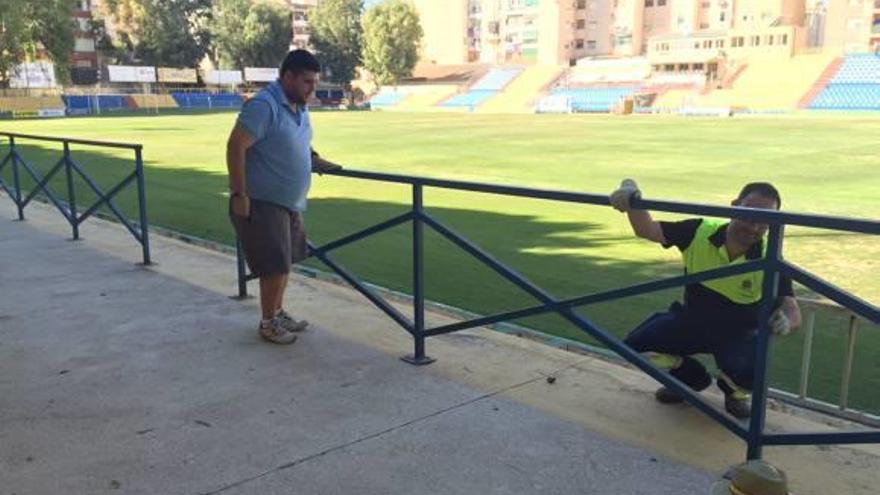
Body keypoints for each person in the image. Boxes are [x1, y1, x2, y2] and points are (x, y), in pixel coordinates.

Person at [609, 179, 801, 419]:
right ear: (733, 206)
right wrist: (632, 198)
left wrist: (787, 322)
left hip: (737, 335)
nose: (754, 227)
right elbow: (647, 229)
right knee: (635, 346)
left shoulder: (770, 257)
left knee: (753, 369)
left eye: (765, 221)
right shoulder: (698, 231)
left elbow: (792, 309)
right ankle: (689, 380)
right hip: (692, 321)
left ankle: (735, 393)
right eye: (749, 215)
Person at [227, 49, 342, 344]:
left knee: (285, 262)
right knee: (275, 265)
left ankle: (277, 312)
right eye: (306, 82)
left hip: (289, 203)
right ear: (287, 77)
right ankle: (268, 322)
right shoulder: (265, 106)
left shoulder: (299, 107)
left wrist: (314, 160)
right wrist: (239, 193)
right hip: (263, 202)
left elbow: (297, 143)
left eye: (314, 82)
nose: (312, 88)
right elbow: (236, 145)